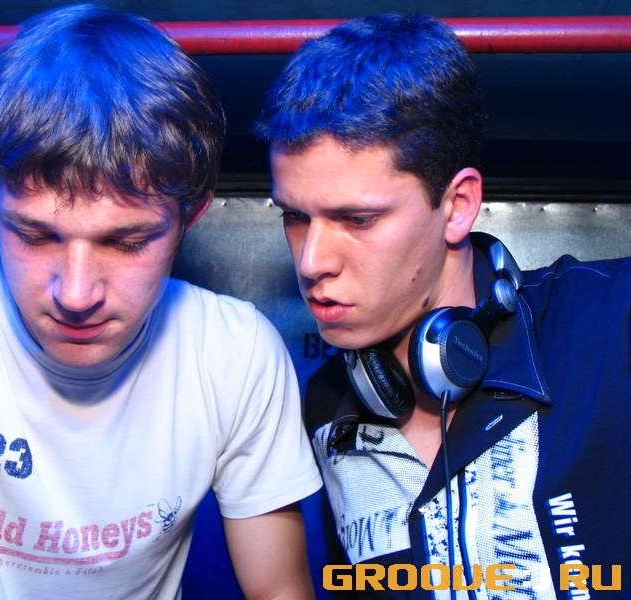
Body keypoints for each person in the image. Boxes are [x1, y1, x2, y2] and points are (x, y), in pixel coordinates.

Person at [0, 4, 323, 598]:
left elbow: (278, 590)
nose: (76, 293)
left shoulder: (233, 352)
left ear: (189, 218)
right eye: (35, 235)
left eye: (127, 242)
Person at [258, 13, 631, 597]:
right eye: (295, 216)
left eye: (358, 219)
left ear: (457, 206)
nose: (311, 262)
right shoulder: (328, 406)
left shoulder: (609, 320)